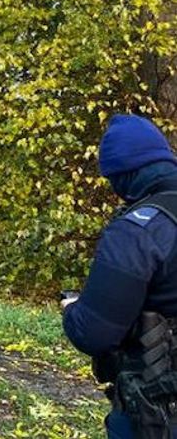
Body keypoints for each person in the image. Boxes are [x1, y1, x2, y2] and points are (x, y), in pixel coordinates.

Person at [63, 114, 177, 438]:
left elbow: (93, 333)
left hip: (157, 413)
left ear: (121, 176)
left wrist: (72, 309)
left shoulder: (139, 231)